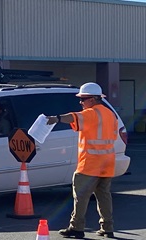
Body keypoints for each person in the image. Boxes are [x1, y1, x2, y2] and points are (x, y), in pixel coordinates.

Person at [46, 82, 118, 239]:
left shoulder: (92, 113)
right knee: (104, 196)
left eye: (83, 99)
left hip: (90, 164)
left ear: (92, 99)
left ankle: (77, 227)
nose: (81, 102)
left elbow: (73, 117)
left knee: (81, 196)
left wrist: (56, 118)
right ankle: (108, 227)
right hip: (107, 163)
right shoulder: (110, 114)